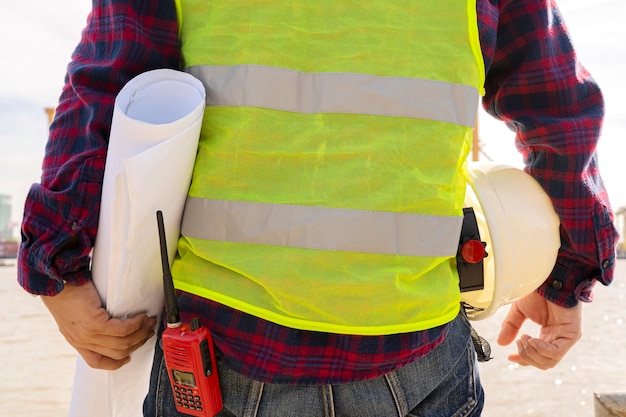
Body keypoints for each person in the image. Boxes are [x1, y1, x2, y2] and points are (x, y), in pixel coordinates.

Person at [18, 0, 618, 416]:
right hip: (414, 353)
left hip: (224, 349)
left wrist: (56, 267)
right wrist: (563, 276)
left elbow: (102, 89)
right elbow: (560, 110)